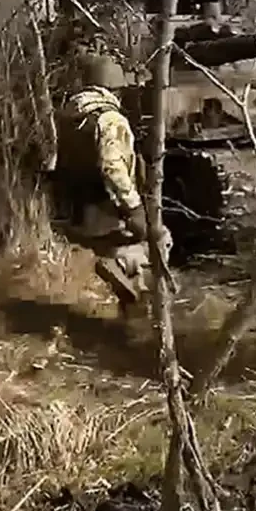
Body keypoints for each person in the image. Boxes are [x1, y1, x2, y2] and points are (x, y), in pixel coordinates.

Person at [53, 52, 168, 315]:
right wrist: (134, 207)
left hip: (80, 206)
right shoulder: (110, 119)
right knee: (160, 240)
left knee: (114, 246)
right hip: (108, 205)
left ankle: (119, 278)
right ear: (113, 88)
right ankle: (138, 307)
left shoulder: (72, 116)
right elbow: (113, 167)